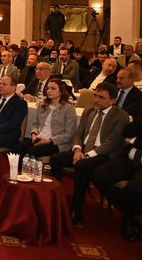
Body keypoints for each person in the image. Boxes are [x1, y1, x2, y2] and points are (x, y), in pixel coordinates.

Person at [49, 82, 129, 224]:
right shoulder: (88, 111)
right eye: (95, 96)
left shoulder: (121, 116)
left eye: (101, 97)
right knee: (56, 158)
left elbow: (112, 143)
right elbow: (78, 134)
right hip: (83, 150)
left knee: (82, 166)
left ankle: (76, 208)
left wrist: (86, 155)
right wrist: (77, 150)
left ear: (112, 100)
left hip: (104, 154)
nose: (96, 100)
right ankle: (57, 197)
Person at [16, 79, 77, 160]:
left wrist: (49, 140)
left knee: (31, 153)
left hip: (57, 142)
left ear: (61, 91)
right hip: (40, 137)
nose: (49, 91)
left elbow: (69, 134)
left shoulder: (68, 109)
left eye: (53, 88)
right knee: (18, 149)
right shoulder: (43, 105)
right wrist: (34, 134)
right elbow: (36, 124)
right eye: (48, 88)